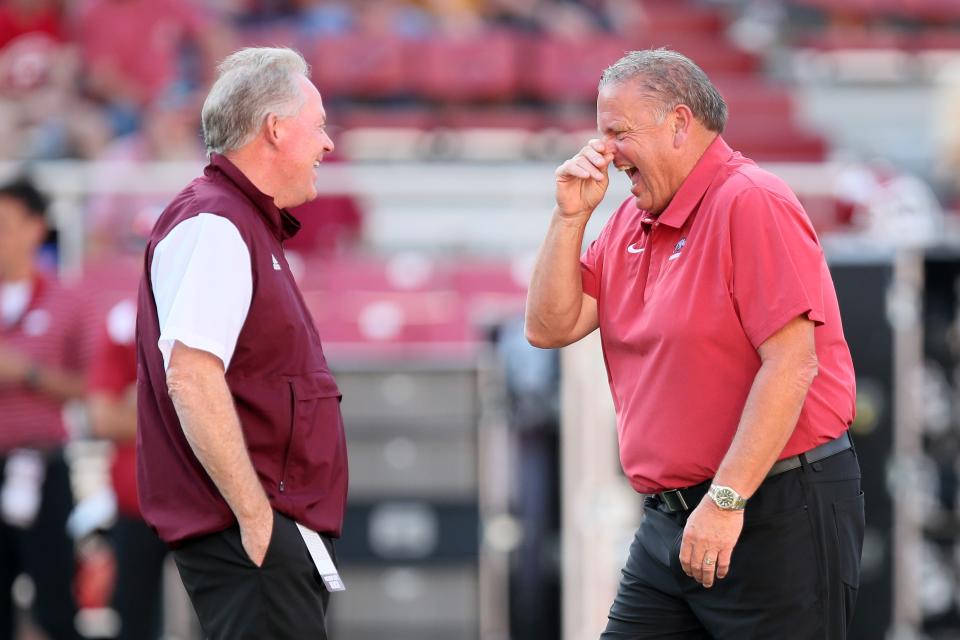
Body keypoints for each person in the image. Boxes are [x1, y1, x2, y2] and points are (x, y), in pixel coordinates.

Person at [525, 48, 864, 638]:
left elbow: (792, 364)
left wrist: (727, 499)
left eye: (618, 132)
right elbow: (550, 326)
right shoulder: (631, 218)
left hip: (772, 509)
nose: (604, 152)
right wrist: (569, 218)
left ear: (680, 124)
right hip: (671, 521)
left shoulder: (751, 200)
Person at [135, 47, 348, 640]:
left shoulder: (236, 221)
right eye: (320, 124)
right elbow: (191, 377)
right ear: (276, 129)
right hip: (250, 530)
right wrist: (256, 519)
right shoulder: (216, 223)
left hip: (265, 529)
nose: (328, 145)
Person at [0, 177, 85, 640]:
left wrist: (28, 373)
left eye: (5, 225)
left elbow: (91, 386)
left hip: (43, 463)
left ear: (35, 229)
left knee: (55, 603)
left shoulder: (66, 300)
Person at [88, 296, 170, 640]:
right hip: (139, 499)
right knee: (134, 617)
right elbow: (103, 418)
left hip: (210, 499)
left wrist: (142, 404)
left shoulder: (222, 307)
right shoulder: (126, 321)